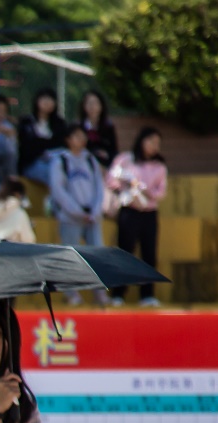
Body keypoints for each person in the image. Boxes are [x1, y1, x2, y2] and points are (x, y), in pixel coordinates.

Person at [107, 127, 168, 307]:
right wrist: (126, 186)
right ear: (142, 141)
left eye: (157, 143)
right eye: (151, 141)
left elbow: (161, 192)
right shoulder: (126, 160)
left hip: (149, 212)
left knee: (149, 253)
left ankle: (147, 294)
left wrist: (146, 190)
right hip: (129, 210)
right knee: (125, 252)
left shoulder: (159, 166)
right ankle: (118, 294)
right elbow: (111, 179)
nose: (154, 146)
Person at [49, 123, 107, 307]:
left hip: (92, 215)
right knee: (70, 255)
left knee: (97, 254)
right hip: (70, 216)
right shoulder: (60, 161)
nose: (81, 140)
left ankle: (100, 293)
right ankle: (71, 293)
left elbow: (99, 187)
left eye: (83, 136)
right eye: (76, 136)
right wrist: (77, 211)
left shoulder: (90, 160)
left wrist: (95, 210)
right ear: (68, 139)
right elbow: (58, 191)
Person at [17, 89, 67, 185]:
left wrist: (41, 144)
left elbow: (61, 144)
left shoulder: (59, 124)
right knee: (52, 174)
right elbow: (27, 146)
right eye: (44, 99)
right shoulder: (26, 122)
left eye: (50, 99)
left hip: (55, 162)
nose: (47, 102)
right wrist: (45, 146)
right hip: (32, 164)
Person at [78, 90, 118, 170]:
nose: (92, 107)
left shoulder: (108, 127)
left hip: (105, 165)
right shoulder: (79, 127)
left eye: (95, 103)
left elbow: (114, 150)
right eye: (89, 103)